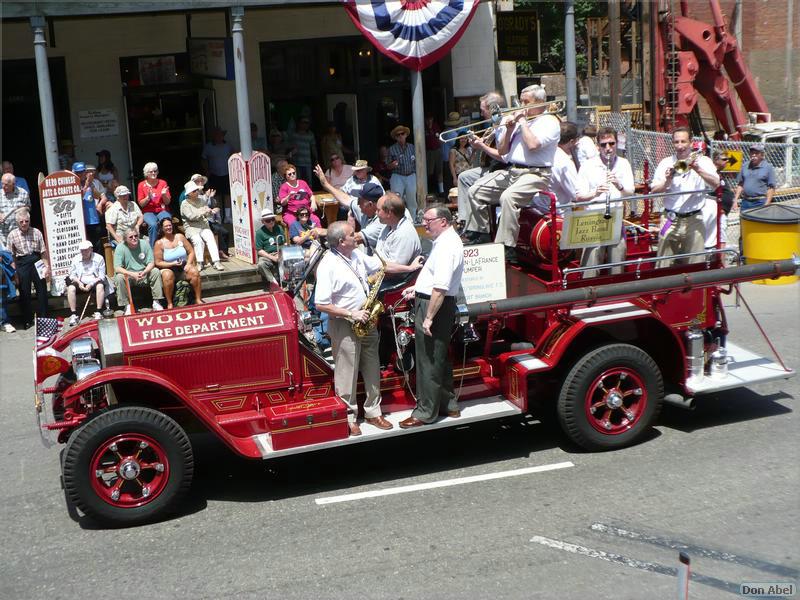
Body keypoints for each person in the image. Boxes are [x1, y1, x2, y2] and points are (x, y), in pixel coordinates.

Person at [314, 221, 422, 436]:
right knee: (347, 372)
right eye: (352, 235)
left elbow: (382, 266)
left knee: (372, 368)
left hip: (367, 320)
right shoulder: (328, 265)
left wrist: (409, 269)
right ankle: (349, 416)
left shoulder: (356, 255)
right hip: (345, 324)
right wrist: (351, 313)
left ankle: (374, 412)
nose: (357, 237)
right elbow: (321, 303)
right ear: (341, 241)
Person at [463, 84, 560, 263]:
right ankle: (481, 234)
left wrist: (522, 122)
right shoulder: (517, 122)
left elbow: (533, 145)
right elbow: (502, 151)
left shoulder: (549, 122)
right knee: (475, 190)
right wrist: (508, 129)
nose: (520, 105)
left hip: (537, 173)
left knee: (508, 197)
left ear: (539, 102)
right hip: (513, 170)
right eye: (520, 101)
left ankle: (506, 247)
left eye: (526, 102)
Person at [399, 205, 464, 428]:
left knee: (428, 360)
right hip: (434, 303)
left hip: (434, 306)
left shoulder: (447, 246)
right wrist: (416, 290)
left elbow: (440, 287)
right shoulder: (446, 242)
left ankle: (425, 412)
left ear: (443, 221)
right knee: (439, 356)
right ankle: (449, 405)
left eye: (428, 220)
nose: (424, 223)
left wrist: (428, 318)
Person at [650, 127, 720, 267]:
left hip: (694, 219)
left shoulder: (704, 161)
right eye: (676, 142)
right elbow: (654, 190)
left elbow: (716, 183)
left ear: (691, 142)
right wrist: (668, 180)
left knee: (695, 262)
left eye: (683, 141)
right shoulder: (665, 162)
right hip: (670, 219)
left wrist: (697, 168)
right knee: (663, 261)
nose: (680, 146)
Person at [575, 126, 635, 275]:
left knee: (617, 265)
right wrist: (595, 193)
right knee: (590, 267)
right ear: (598, 146)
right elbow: (579, 197)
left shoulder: (624, 163)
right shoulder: (587, 166)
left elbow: (630, 192)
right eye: (603, 145)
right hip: (594, 220)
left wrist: (619, 185)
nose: (608, 148)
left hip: (615, 218)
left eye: (611, 143)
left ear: (616, 144)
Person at [456, 91, 508, 227]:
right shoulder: (494, 126)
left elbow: (503, 157)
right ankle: (464, 221)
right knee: (463, 177)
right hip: (490, 167)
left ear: (492, 108)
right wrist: (477, 143)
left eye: (482, 110)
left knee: (474, 190)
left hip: (502, 169)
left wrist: (482, 146)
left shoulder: (505, 125)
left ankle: (478, 228)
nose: (481, 114)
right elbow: (488, 146)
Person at [6, 208, 49, 328]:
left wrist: (46, 267)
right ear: (17, 222)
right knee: (24, 292)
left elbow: (43, 252)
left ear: (29, 221)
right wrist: (15, 273)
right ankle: (27, 319)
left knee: (42, 291)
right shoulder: (12, 235)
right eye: (21, 222)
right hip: (22, 262)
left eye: (26, 221)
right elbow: (11, 256)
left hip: (36, 260)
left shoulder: (36, 232)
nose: (24, 223)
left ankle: (44, 318)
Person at [153, 218, 202, 309]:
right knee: (168, 275)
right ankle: (169, 303)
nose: (168, 227)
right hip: (168, 267)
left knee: (194, 272)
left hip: (183, 266)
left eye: (170, 225)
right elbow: (158, 262)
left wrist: (189, 263)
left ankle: (198, 299)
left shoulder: (180, 236)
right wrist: (172, 263)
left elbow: (191, 252)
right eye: (166, 226)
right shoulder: (159, 243)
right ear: (162, 228)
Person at [113, 229, 164, 314]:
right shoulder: (120, 247)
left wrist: (144, 272)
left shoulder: (144, 244)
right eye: (131, 237)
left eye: (136, 236)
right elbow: (117, 268)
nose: (134, 238)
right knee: (119, 277)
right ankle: (127, 305)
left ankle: (156, 302)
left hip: (144, 273)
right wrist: (132, 274)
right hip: (129, 275)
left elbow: (151, 263)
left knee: (155, 271)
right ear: (126, 239)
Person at [180, 179, 224, 271]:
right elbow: (191, 217)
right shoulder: (184, 204)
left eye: (196, 190)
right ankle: (200, 262)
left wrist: (211, 212)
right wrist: (203, 211)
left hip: (203, 225)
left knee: (210, 237)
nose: (196, 192)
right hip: (191, 227)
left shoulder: (201, 200)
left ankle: (216, 261)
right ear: (189, 194)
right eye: (194, 191)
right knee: (198, 240)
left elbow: (206, 213)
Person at [66, 239, 112, 325]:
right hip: (80, 280)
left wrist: (91, 284)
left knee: (100, 286)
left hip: (94, 281)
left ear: (91, 249)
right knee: (71, 288)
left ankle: (98, 311)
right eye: (82, 250)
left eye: (86, 250)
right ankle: (73, 314)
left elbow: (101, 276)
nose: (84, 252)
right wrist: (79, 283)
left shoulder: (99, 258)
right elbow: (71, 275)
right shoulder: (76, 259)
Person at [537, 121, 580, 214]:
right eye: (577, 140)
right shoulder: (565, 162)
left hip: (539, 208)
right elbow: (576, 194)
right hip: (558, 214)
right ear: (572, 141)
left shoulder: (543, 153)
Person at [374, 192, 422, 269]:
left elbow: (396, 270)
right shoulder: (387, 227)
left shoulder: (404, 234)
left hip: (395, 280)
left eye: (378, 210)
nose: (376, 213)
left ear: (389, 213)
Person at [201, 126, 234, 222]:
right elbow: (203, 159)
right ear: (214, 136)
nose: (219, 137)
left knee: (228, 194)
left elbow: (234, 156)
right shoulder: (208, 147)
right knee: (216, 196)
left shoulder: (228, 145)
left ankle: (227, 217)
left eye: (220, 135)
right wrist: (207, 170)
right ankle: (218, 216)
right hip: (214, 174)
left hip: (227, 173)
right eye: (217, 135)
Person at [731, 143, 776, 212]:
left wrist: (767, 203)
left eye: (756, 153)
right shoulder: (745, 166)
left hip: (760, 202)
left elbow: (771, 187)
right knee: (744, 222)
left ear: (762, 155)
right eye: (752, 153)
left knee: (759, 222)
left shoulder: (768, 167)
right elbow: (740, 184)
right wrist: (735, 201)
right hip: (745, 202)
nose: (753, 155)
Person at [136, 161, 172, 248]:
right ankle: (153, 249)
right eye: (151, 171)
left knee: (167, 222)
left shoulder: (163, 183)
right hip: (148, 211)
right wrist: (148, 198)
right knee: (153, 225)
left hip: (162, 209)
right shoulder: (141, 185)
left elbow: (167, 202)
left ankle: (170, 245)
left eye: (155, 171)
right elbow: (141, 204)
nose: (153, 173)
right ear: (146, 174)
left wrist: (163, 195)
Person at [387, 125, 418, 220]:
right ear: (395, 137)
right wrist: (393, 165)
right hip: (397, 176)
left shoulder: (412, 147)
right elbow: (387, 166)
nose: (400, 136)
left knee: (412, 199)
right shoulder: (391, 149)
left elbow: (418, 162)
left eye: (402, 134)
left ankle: (413, 220)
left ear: (406, 135)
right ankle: (397, 220)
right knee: (396, 200)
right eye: (398, 135)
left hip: (411, 175)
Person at [278, 163, 320, 228]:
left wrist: (313, 202)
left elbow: (311, 195)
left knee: (316, 220)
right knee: (294, 224)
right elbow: (282, 203)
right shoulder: (284, 187)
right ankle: (299, 238)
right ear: (286, 176)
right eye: (289, 174)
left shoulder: (302, 183)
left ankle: (316, 237)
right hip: (292, 214)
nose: (292, 175)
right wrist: (289, 196)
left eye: (294, 173)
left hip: (306, 212)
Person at [73, 162, 104, 250]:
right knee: (85, 246)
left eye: (84, 172)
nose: (82, 174)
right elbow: (78, 199)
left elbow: (97, 196)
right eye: (79, 172)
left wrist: (90, 184)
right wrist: (86, 185)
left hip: (93, 220)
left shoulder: (90, 183)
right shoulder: (74, 185)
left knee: (97, 245)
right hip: (82, 221)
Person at [255, 208, 286, 289]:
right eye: (268, 220)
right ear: (263, 222)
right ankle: (273, 282)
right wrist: (272, 257)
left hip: (280, 253)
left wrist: (280, 254)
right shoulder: (259, 232)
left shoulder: (279, 228)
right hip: (268, 255)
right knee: (261, 264)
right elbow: (259, 250)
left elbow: (284, 243)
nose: (271, 222)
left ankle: (291, 281)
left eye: (272, 219)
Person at [0, 172, 31, 248]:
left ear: (13, 184)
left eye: (6, 185)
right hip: (4, 235)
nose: (3, 186)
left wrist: (25, 209)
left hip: (21, 234)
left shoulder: (23, 193)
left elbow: (29, 207)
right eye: (2, 184)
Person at [288, 116, 317, 183]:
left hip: (307, 162)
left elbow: (313, 147)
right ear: (299, 123)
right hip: (296, 162)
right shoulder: (293, 134)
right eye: (303, 122)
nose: (305, 124)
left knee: (309, 182)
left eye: (307, 123)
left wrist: (316, 159)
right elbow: (289, 146)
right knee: (297, 182)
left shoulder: (310, 134)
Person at [424, 115, 444, 195]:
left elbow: (439, 136)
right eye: (427, 119)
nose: (429, 120)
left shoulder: (436, 126)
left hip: (437, 150)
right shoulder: (422, 126)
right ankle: (428, 189)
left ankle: (441, 190)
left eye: (430, 118)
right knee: (429, 172)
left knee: (439, 170)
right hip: (428, 152)